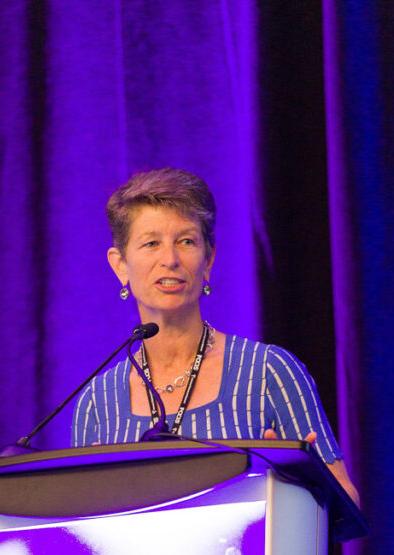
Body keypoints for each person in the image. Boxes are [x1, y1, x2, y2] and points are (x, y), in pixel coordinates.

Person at [71, 168, 359, 506]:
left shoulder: (268, 372)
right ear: (120, 265)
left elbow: (347, 502)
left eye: (187, 241)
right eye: (151, 243)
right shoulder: (96, 403)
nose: (170, 260)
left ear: (208, 259)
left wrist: (301, 486)